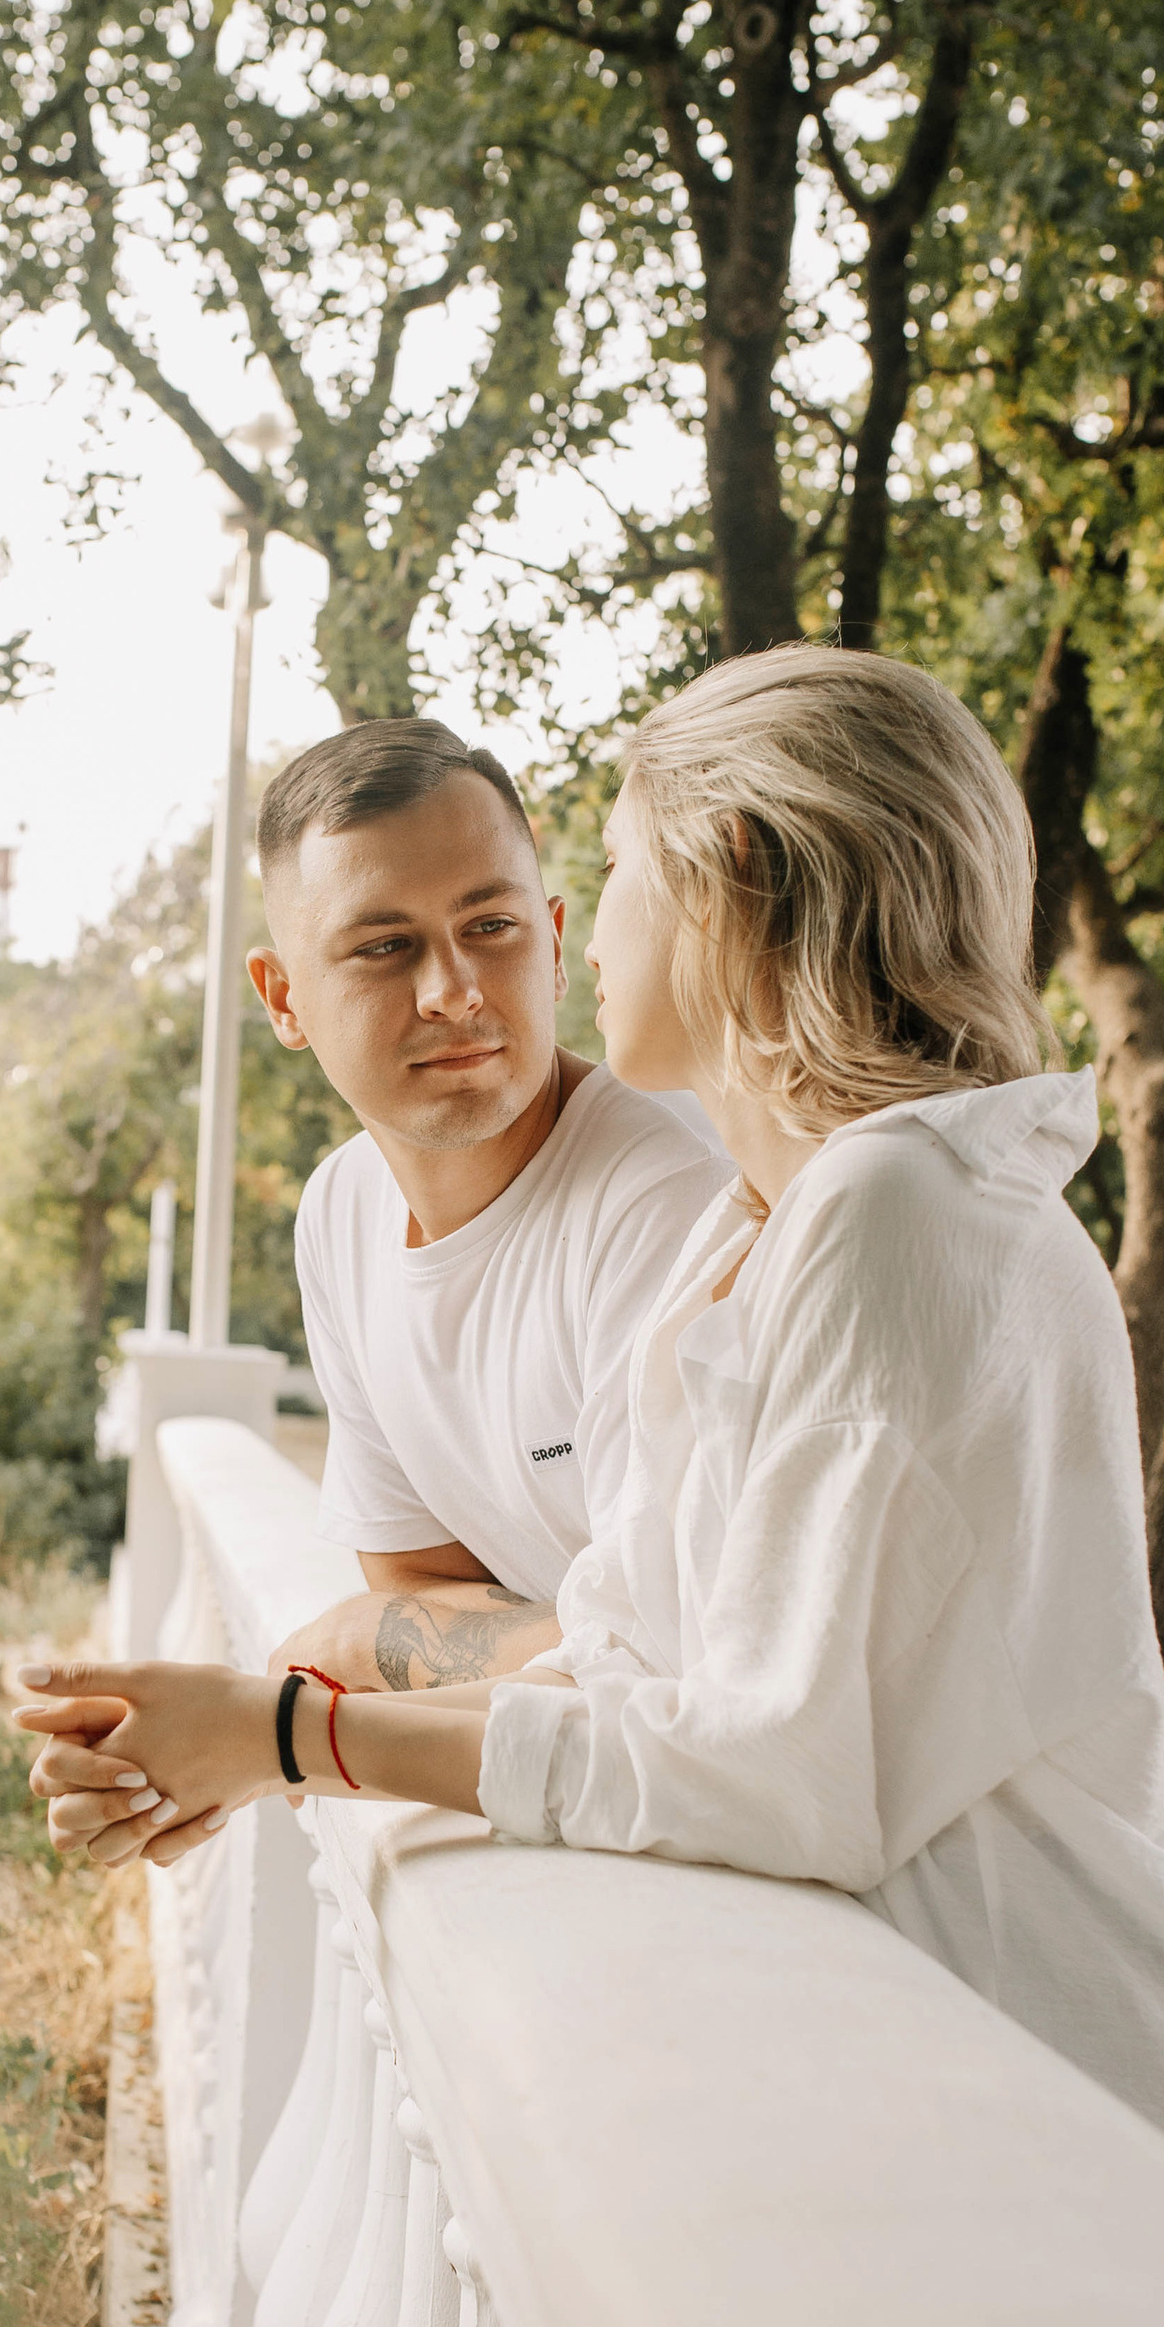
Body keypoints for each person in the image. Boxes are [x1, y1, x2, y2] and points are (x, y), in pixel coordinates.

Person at [20, 645, 1164, 2237]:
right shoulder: (777, 1229)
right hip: (945, 2092)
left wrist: (292, 1738)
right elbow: (638, 1664)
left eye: (620, 869)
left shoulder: (892, 1211)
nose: (566, 941)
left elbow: (766, 1766)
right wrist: (254, 1718)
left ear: (734, 887)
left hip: (1095, 2107)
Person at [246, 718, 729, 1691]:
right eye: (384, 946)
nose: (454, 991)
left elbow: (690, 1664)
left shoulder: (669, 1199)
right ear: (283, 997)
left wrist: (349, 1650)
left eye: (489, 927)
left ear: (552, 945)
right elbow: (415, 1581)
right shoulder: (341, 1213)